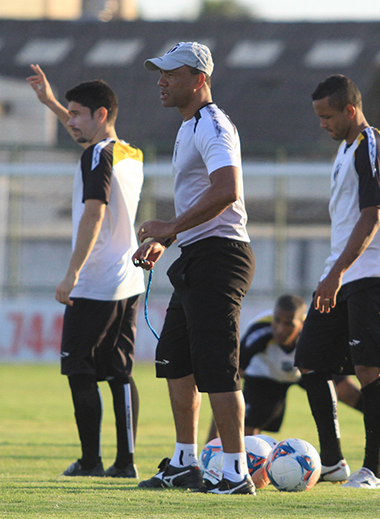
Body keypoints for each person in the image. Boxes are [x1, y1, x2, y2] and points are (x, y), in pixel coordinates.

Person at [132, 42, 256, 495]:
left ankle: (236, 472)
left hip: (222, 256)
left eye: (172, 74)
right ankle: (186, 462)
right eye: (160, 74)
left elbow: (228, 190)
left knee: (218, 367)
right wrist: (166, 240)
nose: (161, 81)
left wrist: (170, 225)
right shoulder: (189, 127)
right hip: (197, 254)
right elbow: (204, 197)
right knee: (176, 360)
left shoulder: (213, 126)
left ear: (200, 80)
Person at [27, 65, 144, 478]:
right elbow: (85, 133)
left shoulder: (97, 155)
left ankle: (91, 462)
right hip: (129, 280)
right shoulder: (130, 153)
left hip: (95, 281)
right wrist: (52, 103)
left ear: (100, 115)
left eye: (77, 114)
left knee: (80, 372)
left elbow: (94, 213)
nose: (70, 121)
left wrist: (71, 274)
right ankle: (126, 463)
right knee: (119, 372)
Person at [295, 74, 380, 490]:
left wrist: (337, 272)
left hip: (371, 272)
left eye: (327, 116)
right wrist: (334, 273)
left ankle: (373, 472)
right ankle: (333, 462)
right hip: (341, 272)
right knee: (309, 361)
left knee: (367, 367)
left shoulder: (369, 146)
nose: (322, 123)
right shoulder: (344, 150)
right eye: (318, 116)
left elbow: (372, 215)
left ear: (350, 110)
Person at [206, 294, 380, 449]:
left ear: (302, 324)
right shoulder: (259, 333)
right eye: (277, 321)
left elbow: (361, 371)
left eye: (288, 324)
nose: (279, 328)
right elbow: (228, 383)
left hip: (302, 372)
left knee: (346, 391)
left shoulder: (312, 337)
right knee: (247, 431)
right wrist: (210, 439)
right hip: (265, 376)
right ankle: (218, 457)